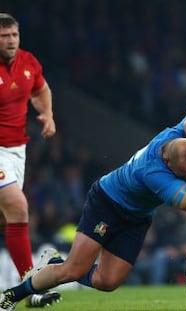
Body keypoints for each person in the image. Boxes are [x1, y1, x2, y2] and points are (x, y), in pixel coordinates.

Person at [0, 93, 186, 311]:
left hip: (137, 216)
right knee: (75, 269)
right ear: (169, 163)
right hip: (107, 203)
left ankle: (55, 263)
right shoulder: (155, 174)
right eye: (184, 173)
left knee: (107, 282)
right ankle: (11, 296)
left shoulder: (182, 133)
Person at [0, 13, 61, 308]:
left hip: (16, 151)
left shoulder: (28, 62)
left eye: (14, 35)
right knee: (18, 206)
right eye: (4, 36)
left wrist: (47, 114)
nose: (10, 41)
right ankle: (30, 287)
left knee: (7, 218)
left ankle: (23, 291)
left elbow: (41, 89)